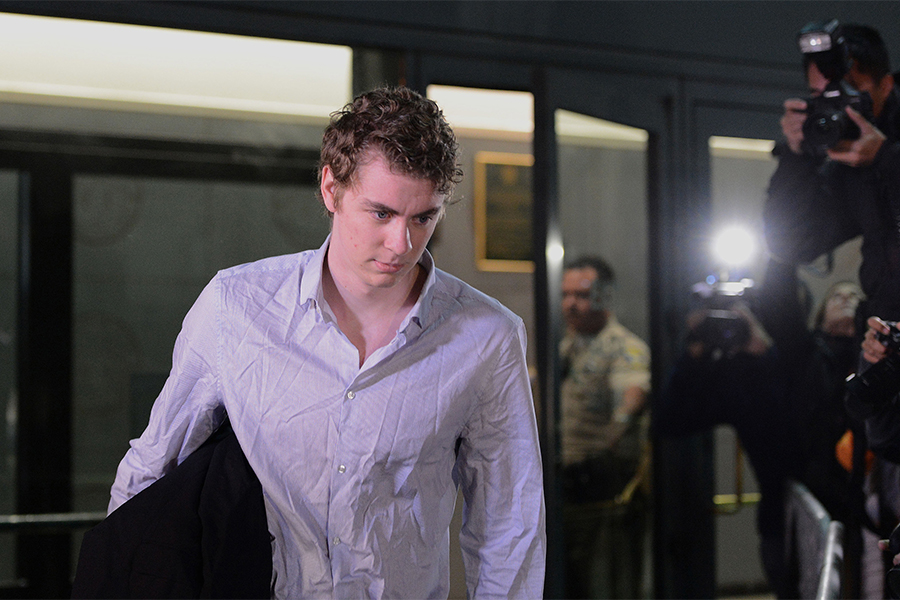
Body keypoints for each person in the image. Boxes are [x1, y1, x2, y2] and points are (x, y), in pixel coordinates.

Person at [106, 86, 546, 599]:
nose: (401, 244)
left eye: (423, 217)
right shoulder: (236, 306)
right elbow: (152, 466)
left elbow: (508, 522)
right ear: (330, 190)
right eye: (381, 213)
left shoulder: (488, 336)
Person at [764, 22, 900, 324]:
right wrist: (795, 158)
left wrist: (884, 158)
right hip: (884, 340)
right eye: (821, 96)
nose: (836, 107)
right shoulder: (849, 165)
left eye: (848, 94)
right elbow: (791, 243)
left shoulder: (879, 156)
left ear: (886, 86)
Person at [559, 255, 651, 599]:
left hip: (605, 490)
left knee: (610, 584)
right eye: (566, 294)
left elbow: (632, 397)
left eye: (582, 295)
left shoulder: (623, 347)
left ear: (604, 297)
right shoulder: (568, 345)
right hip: (568, 487)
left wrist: (609, 443)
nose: (571, 304)